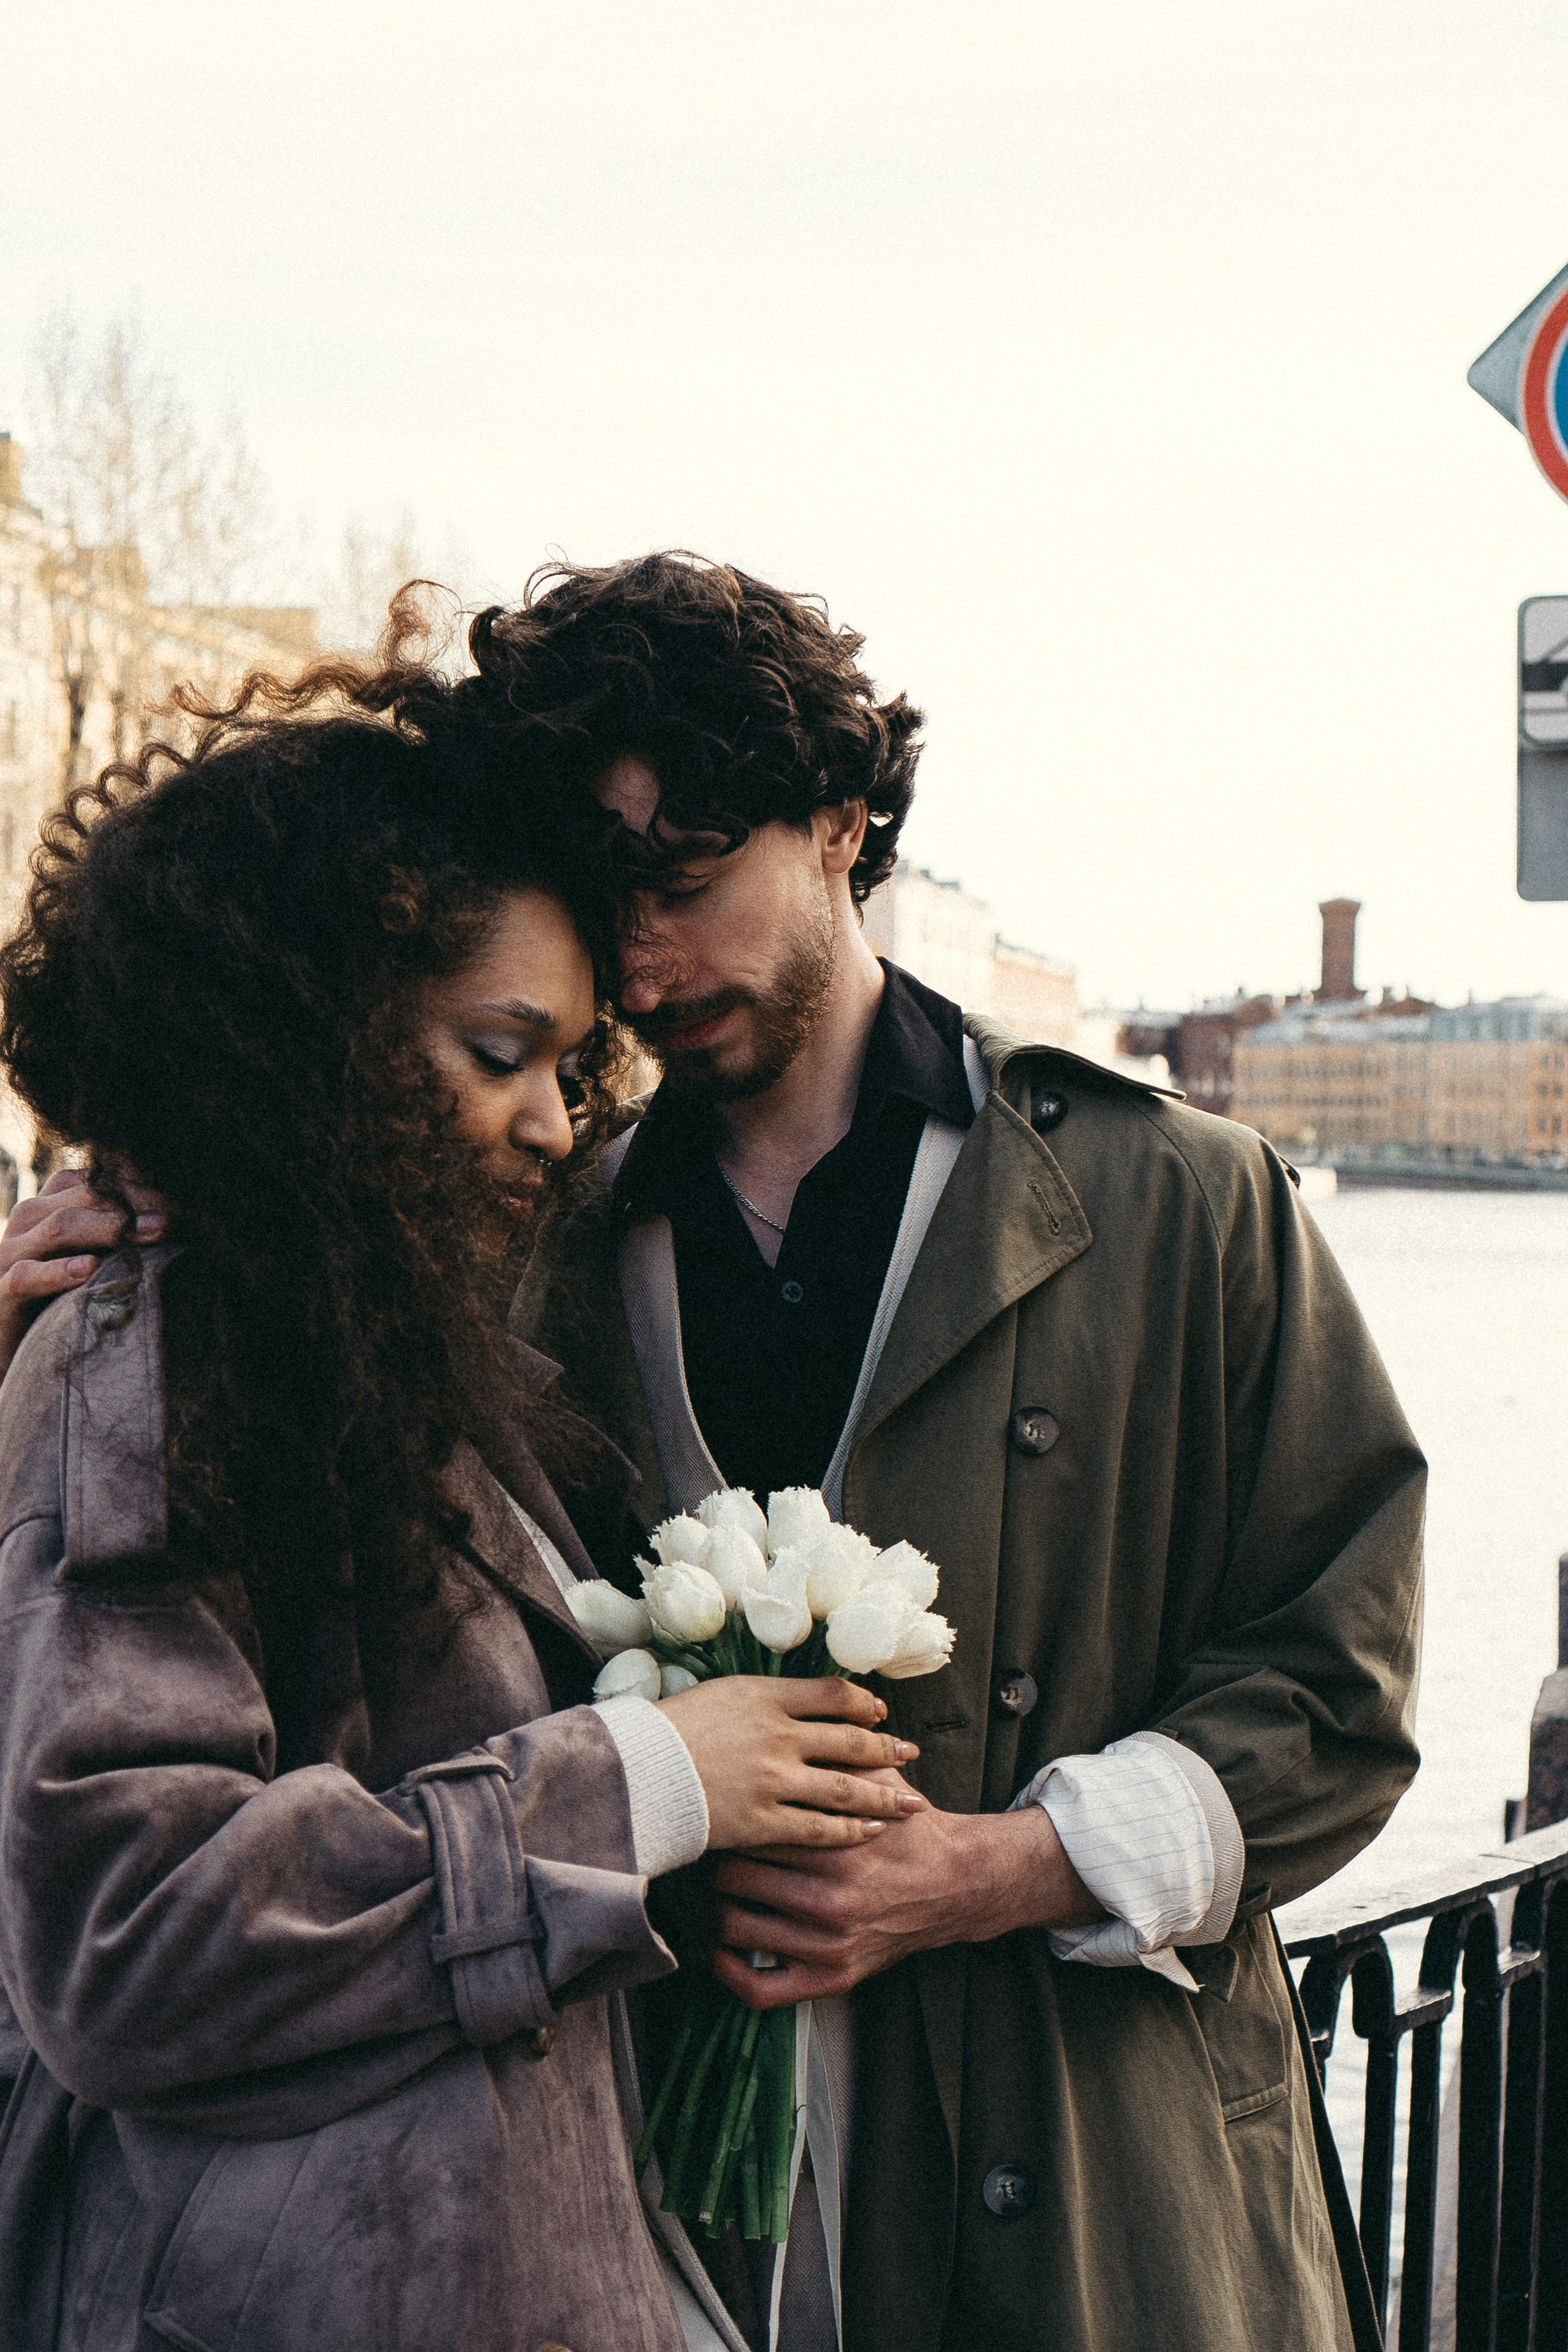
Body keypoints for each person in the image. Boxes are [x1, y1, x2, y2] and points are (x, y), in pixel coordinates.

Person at [462, 555, 1421, 2352]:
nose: (647, 958)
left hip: (1097, 2215)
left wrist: (986, 1871)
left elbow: (1343, 1687)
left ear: (841, 819)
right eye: (610, 898)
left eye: (684, 878)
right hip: (667, 2231)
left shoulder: (1183, 1202)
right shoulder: (540, 1255)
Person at [0, 649, 924, 2352]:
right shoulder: (164, 1348)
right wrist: (642, 1779)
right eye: (504, 1053)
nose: (551, 1126)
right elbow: (125, 1939)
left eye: (574, 1071)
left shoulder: (363, 1333)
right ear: (309, 1029)